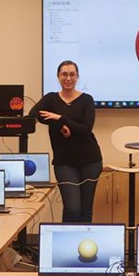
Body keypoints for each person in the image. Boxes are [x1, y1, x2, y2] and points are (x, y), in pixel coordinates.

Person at [30, 60, 103, 222]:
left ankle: (83, 245)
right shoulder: (51, 98)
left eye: (72, 74)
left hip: (90, 161)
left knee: (85, 210)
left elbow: (85, 129)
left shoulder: (86, 100)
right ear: (58, 76)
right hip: (64, 163)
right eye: (64, 74)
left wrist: (61, 117)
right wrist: (59, 124)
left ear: (77, 77)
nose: (68, 78)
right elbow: (34, 114)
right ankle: (65, 244)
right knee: (72, 208)